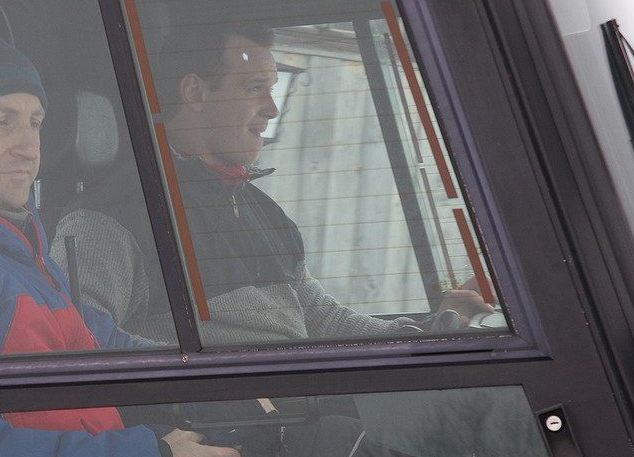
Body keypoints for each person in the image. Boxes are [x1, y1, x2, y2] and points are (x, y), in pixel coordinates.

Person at [0, 27, 561, 457]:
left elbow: (106, 344)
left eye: (36, 123)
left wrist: (221, 384)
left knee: (336, 441)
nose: (29, 147)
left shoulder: (13, 245)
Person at [49, 22, 492, 346]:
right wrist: (229, 393)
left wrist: (430, 334)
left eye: (272, 89)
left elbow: (322, 321)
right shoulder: (109, 220)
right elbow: (84, 345)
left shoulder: (260, 211)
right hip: (227, 426)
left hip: (294, 405)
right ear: (195, 92)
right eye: (254, 88)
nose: (272, 108)